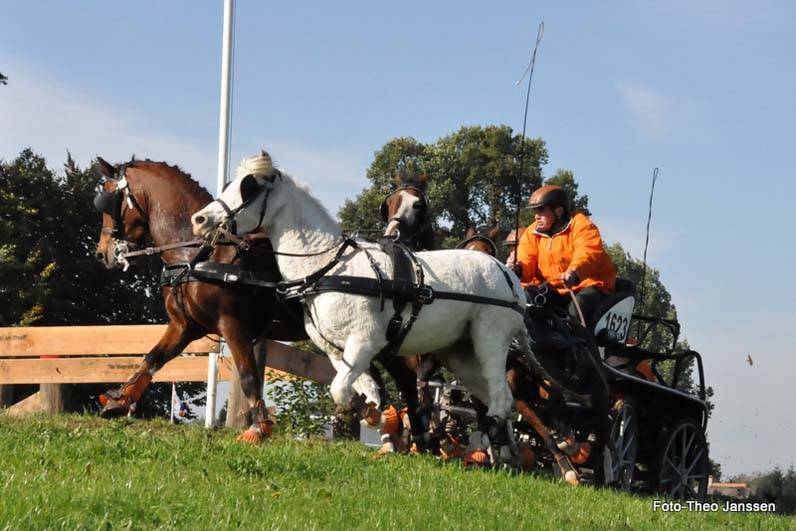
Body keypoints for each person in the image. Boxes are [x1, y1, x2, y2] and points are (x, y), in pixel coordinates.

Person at [513, 185, 616, 324]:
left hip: (587, 285)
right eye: (535, 211)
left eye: (541, 210)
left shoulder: (581, 225)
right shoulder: (531, 233)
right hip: (554, 290)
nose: (536, 216)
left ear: (558, 211)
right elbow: (526, 258)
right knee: (528, 301)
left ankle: (579, 338)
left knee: (575, 312)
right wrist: (519, 269)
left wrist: (574, 272)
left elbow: (588, 252)